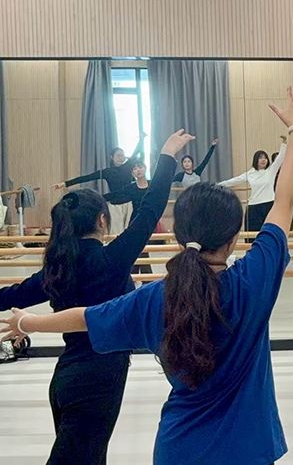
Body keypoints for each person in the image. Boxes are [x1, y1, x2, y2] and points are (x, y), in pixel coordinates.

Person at [2, 87, 293, 465]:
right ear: (233, 239)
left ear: (179, 235)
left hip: (177, 448)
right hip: (248, 448)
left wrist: (28, 321)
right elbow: (284, 202)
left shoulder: (156, 297)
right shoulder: (252, 281)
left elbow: (85, 317)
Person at [0, 129, 191, 464]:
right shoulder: (110, 260)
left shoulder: (57, 269)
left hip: (67, 378)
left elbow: (8, 296)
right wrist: (166, 156)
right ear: (102, 220)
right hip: (97, 381)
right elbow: (150, 210)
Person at [55, 134, 147, 235]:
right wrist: (65, 183)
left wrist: (141, 139)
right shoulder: (107, 172)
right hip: (114, 204)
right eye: (118, 155)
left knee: (130, 231)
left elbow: (137, 151)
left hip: (129, 204)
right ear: (112, 157)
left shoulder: (128, 166)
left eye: (122, 155)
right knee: (115, 233)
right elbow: (87, 177)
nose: (121, 158)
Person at [217, 136, 287, 242]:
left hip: (269, 205)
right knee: (252, 236)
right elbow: (234, 181)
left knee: (269, 234)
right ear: (256, 160)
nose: (263, 160)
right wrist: (217, 185)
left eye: (265, 157)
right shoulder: (250, 174)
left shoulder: (270, 171)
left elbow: (280, 158)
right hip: (253, 207)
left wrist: (284, 143)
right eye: (260, 157)